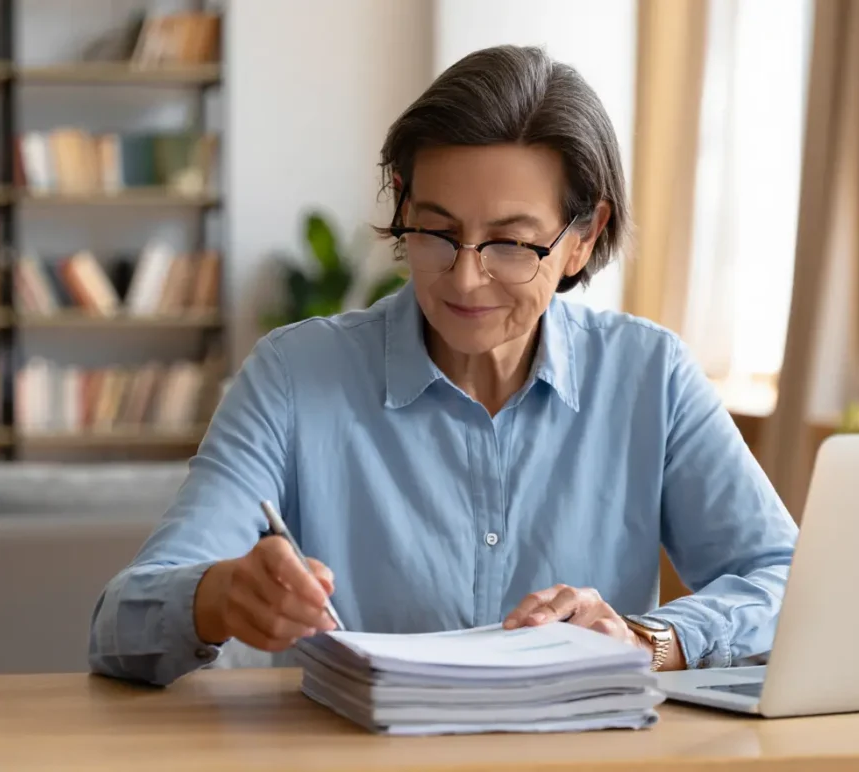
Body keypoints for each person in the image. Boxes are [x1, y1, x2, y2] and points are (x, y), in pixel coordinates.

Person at [89, 45, 798, 687]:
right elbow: (119, 624)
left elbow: (790, 579)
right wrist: (216, 598)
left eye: (511, 244)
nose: (463, 280)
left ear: (583, 238)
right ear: (402, 202)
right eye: (436, 231)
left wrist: (650, 641)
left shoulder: (652, 377)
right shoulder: (293, 375)